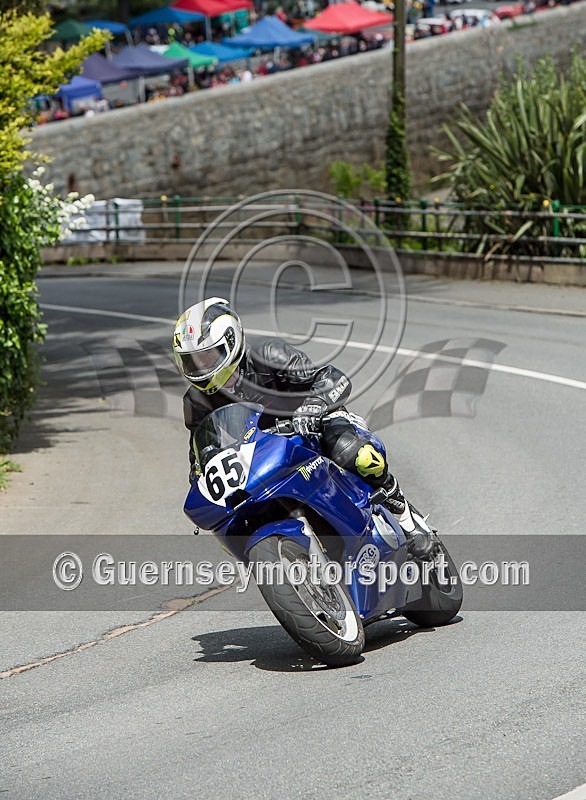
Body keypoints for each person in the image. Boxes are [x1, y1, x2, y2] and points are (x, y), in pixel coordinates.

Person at [173, 297, 434, 558]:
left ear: (231, 342)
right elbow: (201, 452)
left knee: (356, 454)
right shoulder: (195, 401)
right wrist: (201, 479)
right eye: (193, 360)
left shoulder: (269, 355)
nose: (201, 366)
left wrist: (314, 406)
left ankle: (405, 517)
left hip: (316, 423)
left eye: (207, 355)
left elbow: (332, 378)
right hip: (265, 452)